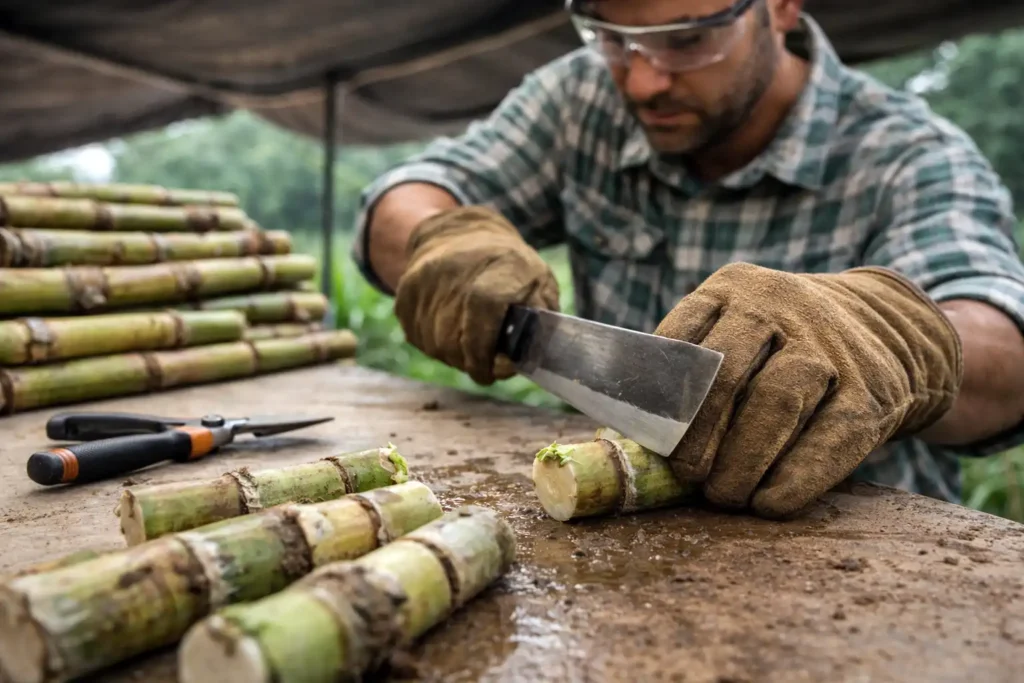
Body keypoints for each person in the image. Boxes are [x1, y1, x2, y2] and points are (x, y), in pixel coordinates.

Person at [350, 0, 1024, 519]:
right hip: (619, 534)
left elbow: (1006, 352)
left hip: (865, 560)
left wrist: (898, 337)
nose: (643, 80)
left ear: (780, 8)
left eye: (688, 39)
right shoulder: (583, 98)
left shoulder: (908, 155)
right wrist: (439, 238)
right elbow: (410, 193)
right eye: (614, 38)